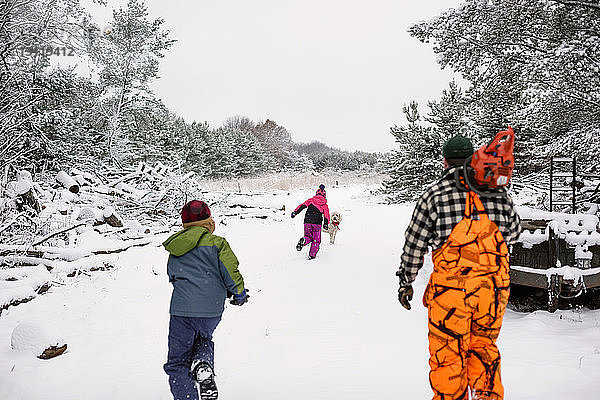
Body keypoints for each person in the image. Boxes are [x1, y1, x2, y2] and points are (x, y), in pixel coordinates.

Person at [396, 135, 521, 400]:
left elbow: (414, 243)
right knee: (484, 348)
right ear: (472, 159)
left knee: (448, 356)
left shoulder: (434, 194)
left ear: (444, 161)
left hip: (451, 294)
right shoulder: (498, 192)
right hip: (492, 292)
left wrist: (406, 281)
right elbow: (514, 233)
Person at [163, 200, 248, 400]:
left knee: (177, 362)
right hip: (211, 310)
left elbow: (172, 274)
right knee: (203, 339)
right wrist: (239, 294)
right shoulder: (217, 243)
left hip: (181, 311)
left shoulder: (177, 246)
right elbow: (230, 272)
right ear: (209, 222)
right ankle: (202, 365)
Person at [291, 184, 331, 259]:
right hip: (317, 223)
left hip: (307, 221)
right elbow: (326, 216)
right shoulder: (324, 205)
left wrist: (295, 212)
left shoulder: (311, 200)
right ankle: (312, 255)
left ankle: (304, 240)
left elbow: (302, 206)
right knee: (316, 240)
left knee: (308, 236)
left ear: (316, 193)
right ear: (324, 195)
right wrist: (326, 224)